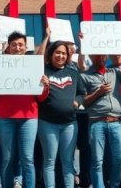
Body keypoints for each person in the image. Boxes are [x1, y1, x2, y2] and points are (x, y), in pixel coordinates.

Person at [80, 36, 121, 188]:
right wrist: (98, 93)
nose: (102, 57)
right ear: (91, 56)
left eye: (104, 54)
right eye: (98, 54)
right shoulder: (85, 75)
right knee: (97, 161)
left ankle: (114, 185)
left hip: (116, 123)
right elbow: (83, 101)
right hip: (96, 122)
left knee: (119, 160)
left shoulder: (115, 72)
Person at [0, 32, 41, 188]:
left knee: (27, 159)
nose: (17, 47)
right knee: (7, 158)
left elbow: (41, 98)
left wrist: (44, 86)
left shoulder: (34, 65)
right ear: (8, 48)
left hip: (29, 118)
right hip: (5, 118)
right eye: (13, 45)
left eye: (20, 44)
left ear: (26, 47)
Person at [37, 41, 87, 188]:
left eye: (63, 53)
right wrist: (42, 85)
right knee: (49, 161)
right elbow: (36, 95)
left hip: (69, 124)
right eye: (57, 52)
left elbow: (82, 93)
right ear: (51, 54)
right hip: (47, 123)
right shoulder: (43, 71)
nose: (60, 56)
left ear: (68, 55)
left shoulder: (73, 73)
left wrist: (77, 101)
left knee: (68, 161)